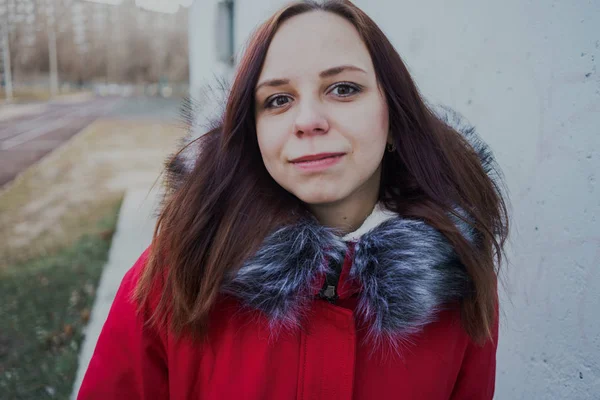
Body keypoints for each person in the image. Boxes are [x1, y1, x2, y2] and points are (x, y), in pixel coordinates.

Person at [78, 1, 509, 399]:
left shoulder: (457, 277)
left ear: (394, 117)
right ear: (253, 132)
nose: (308, 121)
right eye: (278, 100)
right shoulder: (179, 272)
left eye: (343, 89)